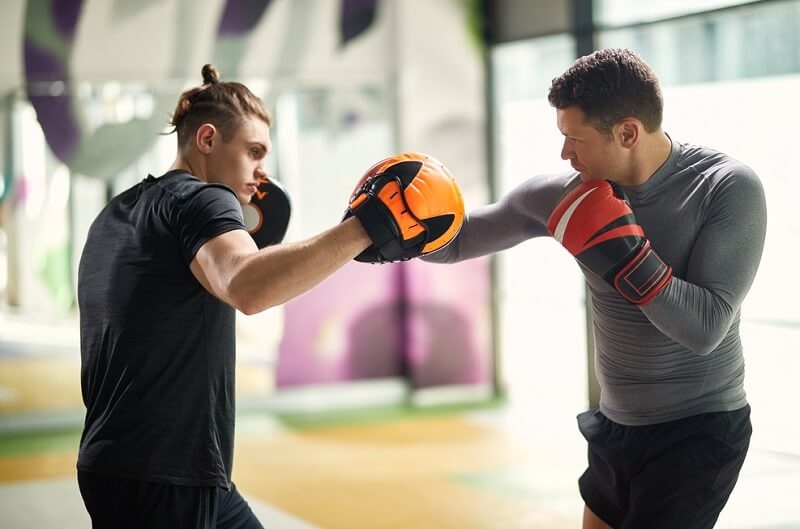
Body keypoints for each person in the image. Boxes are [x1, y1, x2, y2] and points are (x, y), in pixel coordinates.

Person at [76, 64, 444, 528]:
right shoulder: (204, 200)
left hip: (124, 462)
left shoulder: (117, 213)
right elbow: (246, 286)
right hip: (167, 474)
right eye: (253, 152)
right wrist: (367, 227)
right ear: (207, 140)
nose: (260, 173)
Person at [423, 48, 767, 529]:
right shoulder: (568, 195)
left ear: (627, 132)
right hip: (617, 423)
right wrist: (392, 222)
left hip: (698, 431)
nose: (565, 154)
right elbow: (454, 244)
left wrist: (627, 257)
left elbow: (704, 328)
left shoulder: (723, 187)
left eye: (575, 139)